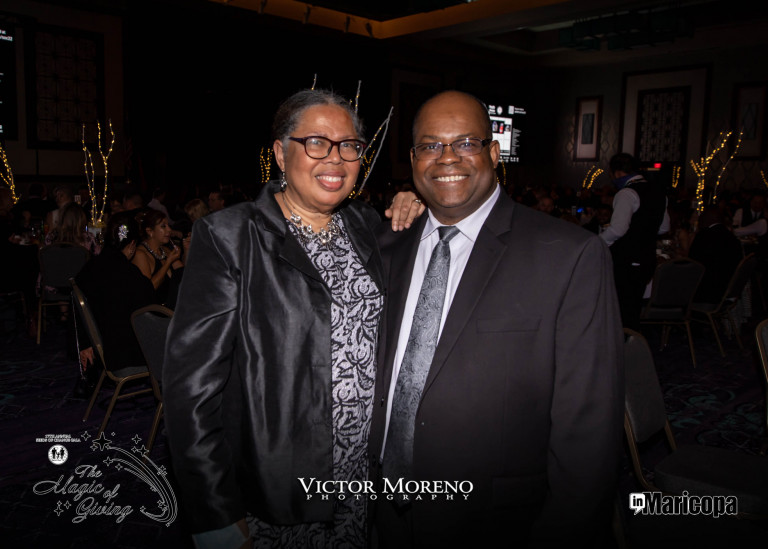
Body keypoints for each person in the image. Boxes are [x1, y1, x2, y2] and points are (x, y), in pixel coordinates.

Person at [162, 88, 423, 549]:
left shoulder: (367, 225)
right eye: (317, 142)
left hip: (359, 476)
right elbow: (191, 390)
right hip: (276, 483)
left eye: (349, 145)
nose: (335, 158)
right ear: (281, 154)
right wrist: (214, 512)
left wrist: (419, 204)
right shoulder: (230, 236)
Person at [371, 90, 623, 549]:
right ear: (412, 160)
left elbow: (589, 425)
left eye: (466, 142)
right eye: (431, 145)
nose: (447, 157)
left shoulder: (568, 256)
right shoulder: (386, 246)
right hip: (381, 514)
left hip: (497, 522)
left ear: (492, 153)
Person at [75, 211, 155, 378]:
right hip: (125, 356)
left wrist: (85, 342)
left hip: (102, 349)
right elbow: (150, 309)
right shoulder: (130, 274)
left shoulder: (89, 268)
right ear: (132, 244)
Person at [599, 152, 668, 330]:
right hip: (647, 259)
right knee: (633, 308)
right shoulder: (659, 192)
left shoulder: (626, 193)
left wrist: (597, 242)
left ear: (616, 173)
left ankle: (623, 342)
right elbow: (663, 228)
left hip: (626, 260)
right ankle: (632, 341)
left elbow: (617, 229)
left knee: (622, 311)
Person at [688, 206, 743, 304]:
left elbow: (692, 263)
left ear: (706, 219)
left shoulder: (704, 236)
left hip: (707, 292)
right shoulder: (733, 238)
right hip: (728, 290)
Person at [132, 208, 184, 308]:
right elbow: (148, 290)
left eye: (168, 226)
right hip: (156, 311)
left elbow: (184, 275)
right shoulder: (140, 254)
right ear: (150, 232)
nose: (169, 230)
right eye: (163, 226)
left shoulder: (166, 250)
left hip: (174, 307)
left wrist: (187, 251)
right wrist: (168, 262)